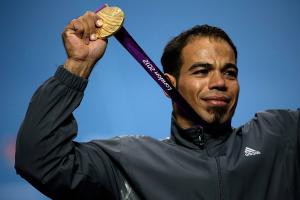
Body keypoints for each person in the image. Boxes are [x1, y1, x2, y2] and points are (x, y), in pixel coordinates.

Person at [15, 11, 299, 200]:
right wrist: (78, 65)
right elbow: (40, 161)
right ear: (168, 85)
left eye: (229, 72)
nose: (219, 82)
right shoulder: (126, 162)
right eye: (201, 71)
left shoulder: (278, 136)